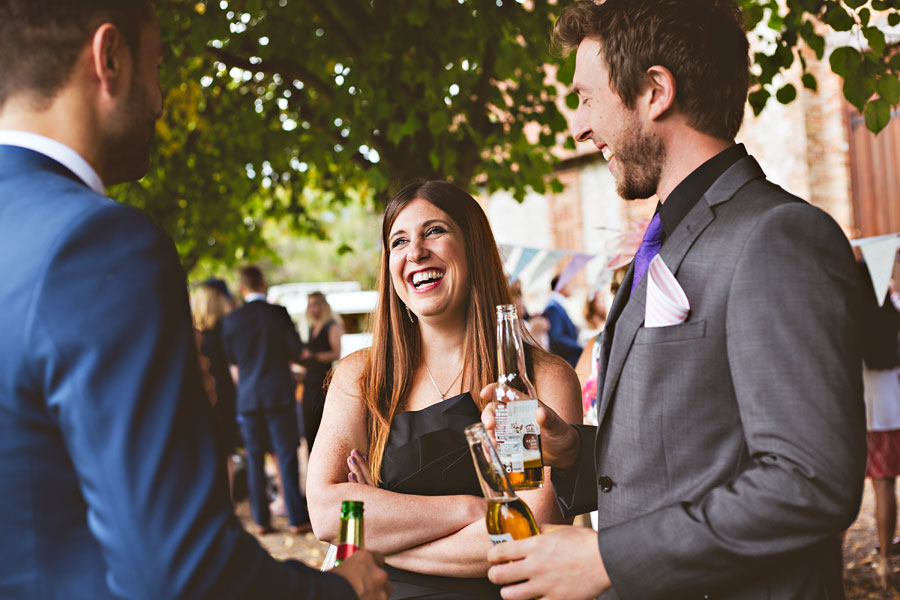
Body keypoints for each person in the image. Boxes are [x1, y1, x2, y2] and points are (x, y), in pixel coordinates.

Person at [0, 1, 389, 597]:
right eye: (156, 68)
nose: (158, 101)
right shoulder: (100, 244)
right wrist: (342, 590)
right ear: (110, 59)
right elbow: (176, 570)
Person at [481, 1, 866, 598]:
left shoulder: (777, 236)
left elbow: (808, 481)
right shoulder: (670, 236)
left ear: (655, 91)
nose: (578, 128)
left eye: (585, 98)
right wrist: (574, 450)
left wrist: (609, 559)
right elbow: (691, 448)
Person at [306, 180, 582, 599]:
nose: (415, 251)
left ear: (474, 247)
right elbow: (328, 515)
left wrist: (377, 538)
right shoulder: (359, 377)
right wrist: (473, 510)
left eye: (434, 231)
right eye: (399, 241)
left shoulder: (541, 380)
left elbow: (530, 532)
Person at [222, 265, 312, 536]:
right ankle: (297, 519)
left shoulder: (232, 320)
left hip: (248, 398)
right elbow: (297, 351)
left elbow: (233, 362)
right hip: (279, 394)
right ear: (263, 283)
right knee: (286, 457)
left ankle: (261, 520)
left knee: (255, 460)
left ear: (242, 288)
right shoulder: (278, 314)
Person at [860, 258, 900, 589]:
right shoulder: (892, 317)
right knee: (886, 486)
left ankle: (833, 559)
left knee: (850, 486)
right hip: (891, 411)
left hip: (860, 414)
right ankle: (886, 559)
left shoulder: (853, 320)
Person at [191, 280, 239, 499]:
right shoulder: (226, 330)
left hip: (198, 397)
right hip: (224, 397)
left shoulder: (190, 334)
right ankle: (226, 504)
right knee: (226, 451)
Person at [300, 291, 344, 451]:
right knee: (308, 428)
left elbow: (336, 353)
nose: (311, 309)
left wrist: (313, 356)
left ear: (322, 306)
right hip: (309, 382)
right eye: (309, 305)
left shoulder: (332, 326)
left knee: (321, 427)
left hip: (323, 383)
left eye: (314, 304)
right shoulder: (312, 328)